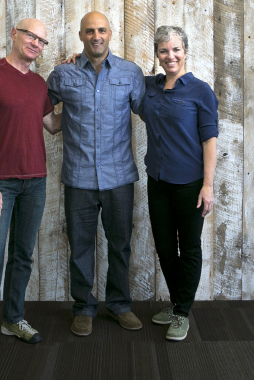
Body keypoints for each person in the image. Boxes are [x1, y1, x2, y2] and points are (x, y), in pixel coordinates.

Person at [0, 18, 61, 376]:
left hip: (35, 182)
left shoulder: (38, 84)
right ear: (14, 35)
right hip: (0, 184)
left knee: (22, 257)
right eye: (30, 35)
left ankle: (13, 319)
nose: (36, 43)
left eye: (42, 40)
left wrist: (80, 86)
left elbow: (52, 125)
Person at [46, 11, 145, 337]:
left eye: (101, 30)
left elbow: (150, 107)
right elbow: (38, 105)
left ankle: (120, 305)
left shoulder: (131, 73)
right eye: (90, 31)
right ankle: (84, 307)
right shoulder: (63, 74)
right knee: (81, 246)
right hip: (79, 178)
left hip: (119, 178)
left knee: (120, 245)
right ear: (81, 35)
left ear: (110, 33)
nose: (96, 36)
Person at [143, 26, 218, 341]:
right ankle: (177, 304)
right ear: (157, 55)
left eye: (175, 49)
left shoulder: (201, 91)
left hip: (190, 184)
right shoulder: (149, 86)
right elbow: (111, 71)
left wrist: (208, 185)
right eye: (163, 50)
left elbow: (210, 142)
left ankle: (182, 312)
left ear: (185, 51)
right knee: (163, 247)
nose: (170, 56)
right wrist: (80, 60)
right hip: (157, 181)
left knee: (188, 248)